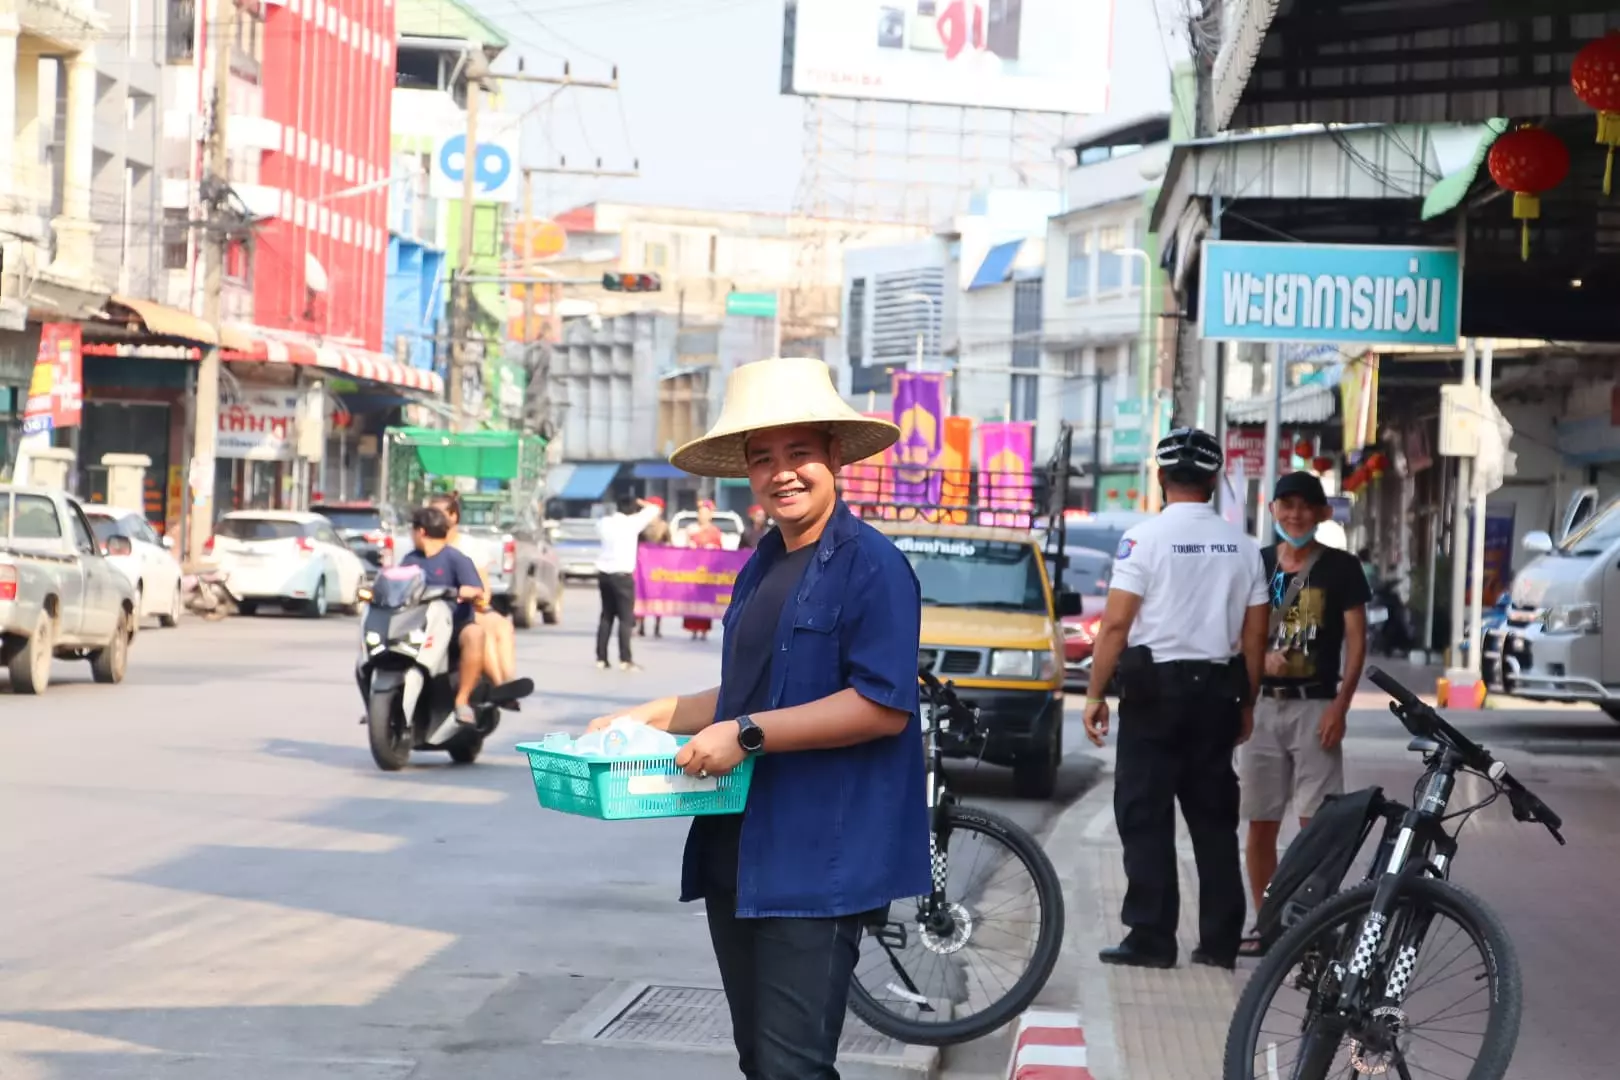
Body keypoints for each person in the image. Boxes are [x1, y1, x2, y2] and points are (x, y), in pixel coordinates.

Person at [586, 355, 928, 1080]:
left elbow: (881, 706)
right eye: (763, 458)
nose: (784, 474)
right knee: (761, 1063)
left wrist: (745, 737)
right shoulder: (762, 563)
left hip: (820, 859)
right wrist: (658, 713)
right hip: (737, 851)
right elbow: (753, 694)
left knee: (793, 1070)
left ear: (836, 456)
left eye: (800, 453)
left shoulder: (874, 567)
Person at [1082, 427, 1270, 970]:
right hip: (1217, 694)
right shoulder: (1245, 548)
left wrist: (1096, 692)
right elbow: (1256, 637)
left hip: (1153, 695)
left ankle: (1152, 937)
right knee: (1214, 820)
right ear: (1214, 481)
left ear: (1160, 477)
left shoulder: (1143, 539)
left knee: (1145, 814)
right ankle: (1219, 943)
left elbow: (1116, 624)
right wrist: (1248, 702)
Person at [1239, 472, 1371, 956]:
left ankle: (1312, 927)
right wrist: (1252, 664)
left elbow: (1357, 642)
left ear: (1321, 513)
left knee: (1317, 825)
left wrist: (1342, 704)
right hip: (1261, 708)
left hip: (1317, 705)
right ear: (1272, 509)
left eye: (1305, 506)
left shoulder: (1340, 568)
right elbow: (1237, 630)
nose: (1295, 514)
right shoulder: (1254, 565)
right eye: (1286, 504)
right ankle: (1268, 926)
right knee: (1260, 822)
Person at [399, 506, 488, 728]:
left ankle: (462, 700)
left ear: (420, 532)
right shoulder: (410, 560)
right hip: (416, 625)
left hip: (453, 627)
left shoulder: (456, 559)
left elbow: (478, 591)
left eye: (412, 530)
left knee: (475, 634)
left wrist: (469, 592)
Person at [429, 492, 517, 687]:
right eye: (431, 514)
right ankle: (499, 683)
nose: (435, 519)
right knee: (481, 631)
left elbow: (483, 586)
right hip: (438, 608)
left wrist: (479, 599)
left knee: (503, 626)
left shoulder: (468, 546)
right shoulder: (426, 544)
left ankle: (508, 682)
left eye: (440, 514)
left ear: (454, 516)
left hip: (469, 605)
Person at [595, 494, 663, 670]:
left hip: (604, 575)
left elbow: (598, 524)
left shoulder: (605, 523)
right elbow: (655, 509)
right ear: (634, 510)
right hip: (622, 576)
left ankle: (601, 658)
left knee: (606, 616)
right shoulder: (633, 523)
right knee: (625, 619)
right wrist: (642, 503)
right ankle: (625, 659)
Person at [682, 500, 726, 641]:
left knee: (706, 599)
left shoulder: (715, 531)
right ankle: (693, 628)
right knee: (693, 598)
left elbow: (720, 550)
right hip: (693, 570)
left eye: (705, 514)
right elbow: (683, 550)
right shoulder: (691, 529)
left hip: (708, 571)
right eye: (700, 514)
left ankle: (704, 630)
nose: (702, 516)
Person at [637, 497, 671, 639]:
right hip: (643, 565)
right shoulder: (641, 525)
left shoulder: (664, 526)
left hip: (659, 566)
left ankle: (657, 626)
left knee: (658, 596)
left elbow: (670, 543)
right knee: (642, 594)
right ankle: (641, 625)